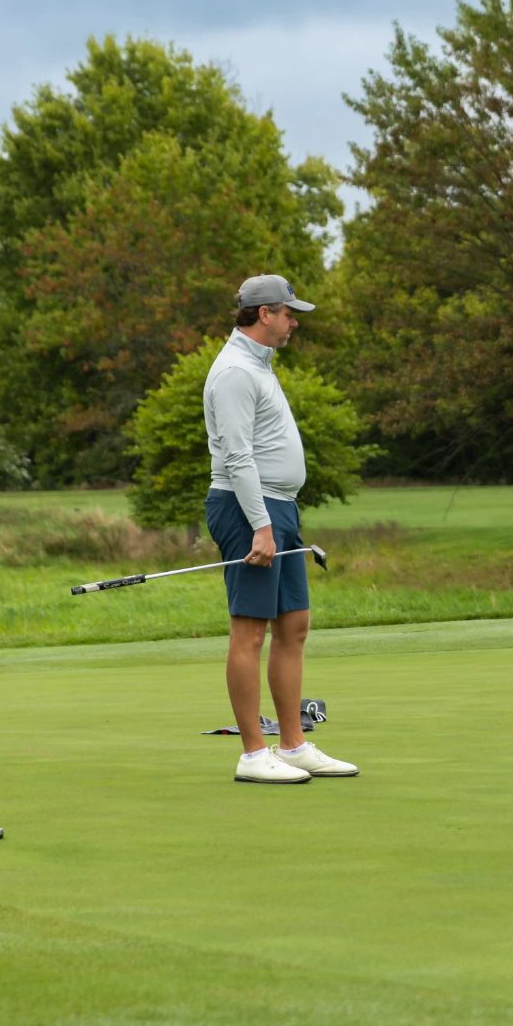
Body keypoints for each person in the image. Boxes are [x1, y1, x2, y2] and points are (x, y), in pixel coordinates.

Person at [203, 274, 357, 785]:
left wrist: (277, 519)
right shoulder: (233, 372)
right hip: (249, 511)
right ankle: (252, 753)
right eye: (289, 314)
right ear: (264, 313)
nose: (294, 322)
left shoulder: (260, 367)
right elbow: (237, 456)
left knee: (294, 626)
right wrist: (261, 527)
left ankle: (292, 744)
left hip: (279, 508)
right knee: (249, 632)